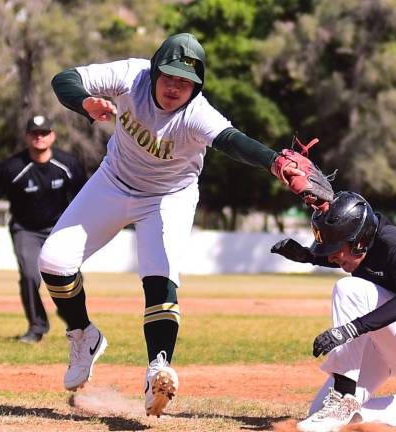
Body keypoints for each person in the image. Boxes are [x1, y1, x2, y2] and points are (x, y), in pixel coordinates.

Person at [37, 32, 306, 416]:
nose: (176, 87)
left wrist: (274, 162)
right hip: (113, 180)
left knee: (159, 274)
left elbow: (232, 140)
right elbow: (64, 78)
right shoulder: (131, 76)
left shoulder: (197, 113)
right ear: (155, 70)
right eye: (170, 76)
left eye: (186, 81)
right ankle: (83, 334)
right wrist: (84, 101)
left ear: (197, 86)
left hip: (168, 196)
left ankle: (158, 368)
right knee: (53, 261)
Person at [270, 191, 396, 431]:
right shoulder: (360, 247)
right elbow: (340, 255)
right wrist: (307, 256)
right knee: (319, 416)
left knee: (348, 288)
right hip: (385, 339)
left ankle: (344, 397)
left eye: (335, 247)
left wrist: (353, 328)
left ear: (360, 240)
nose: (331, 256)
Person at [0, 115, 86, 344]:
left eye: (44, 133)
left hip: (59, 229)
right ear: (27, 137)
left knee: (68, 275)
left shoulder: (67, 164)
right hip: (24, 229)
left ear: (53, 136)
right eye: (35, 134)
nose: (39, 137)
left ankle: (76, 322)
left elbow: (85, 195)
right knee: (29, 275)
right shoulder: (13, 167)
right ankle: (36, 326)